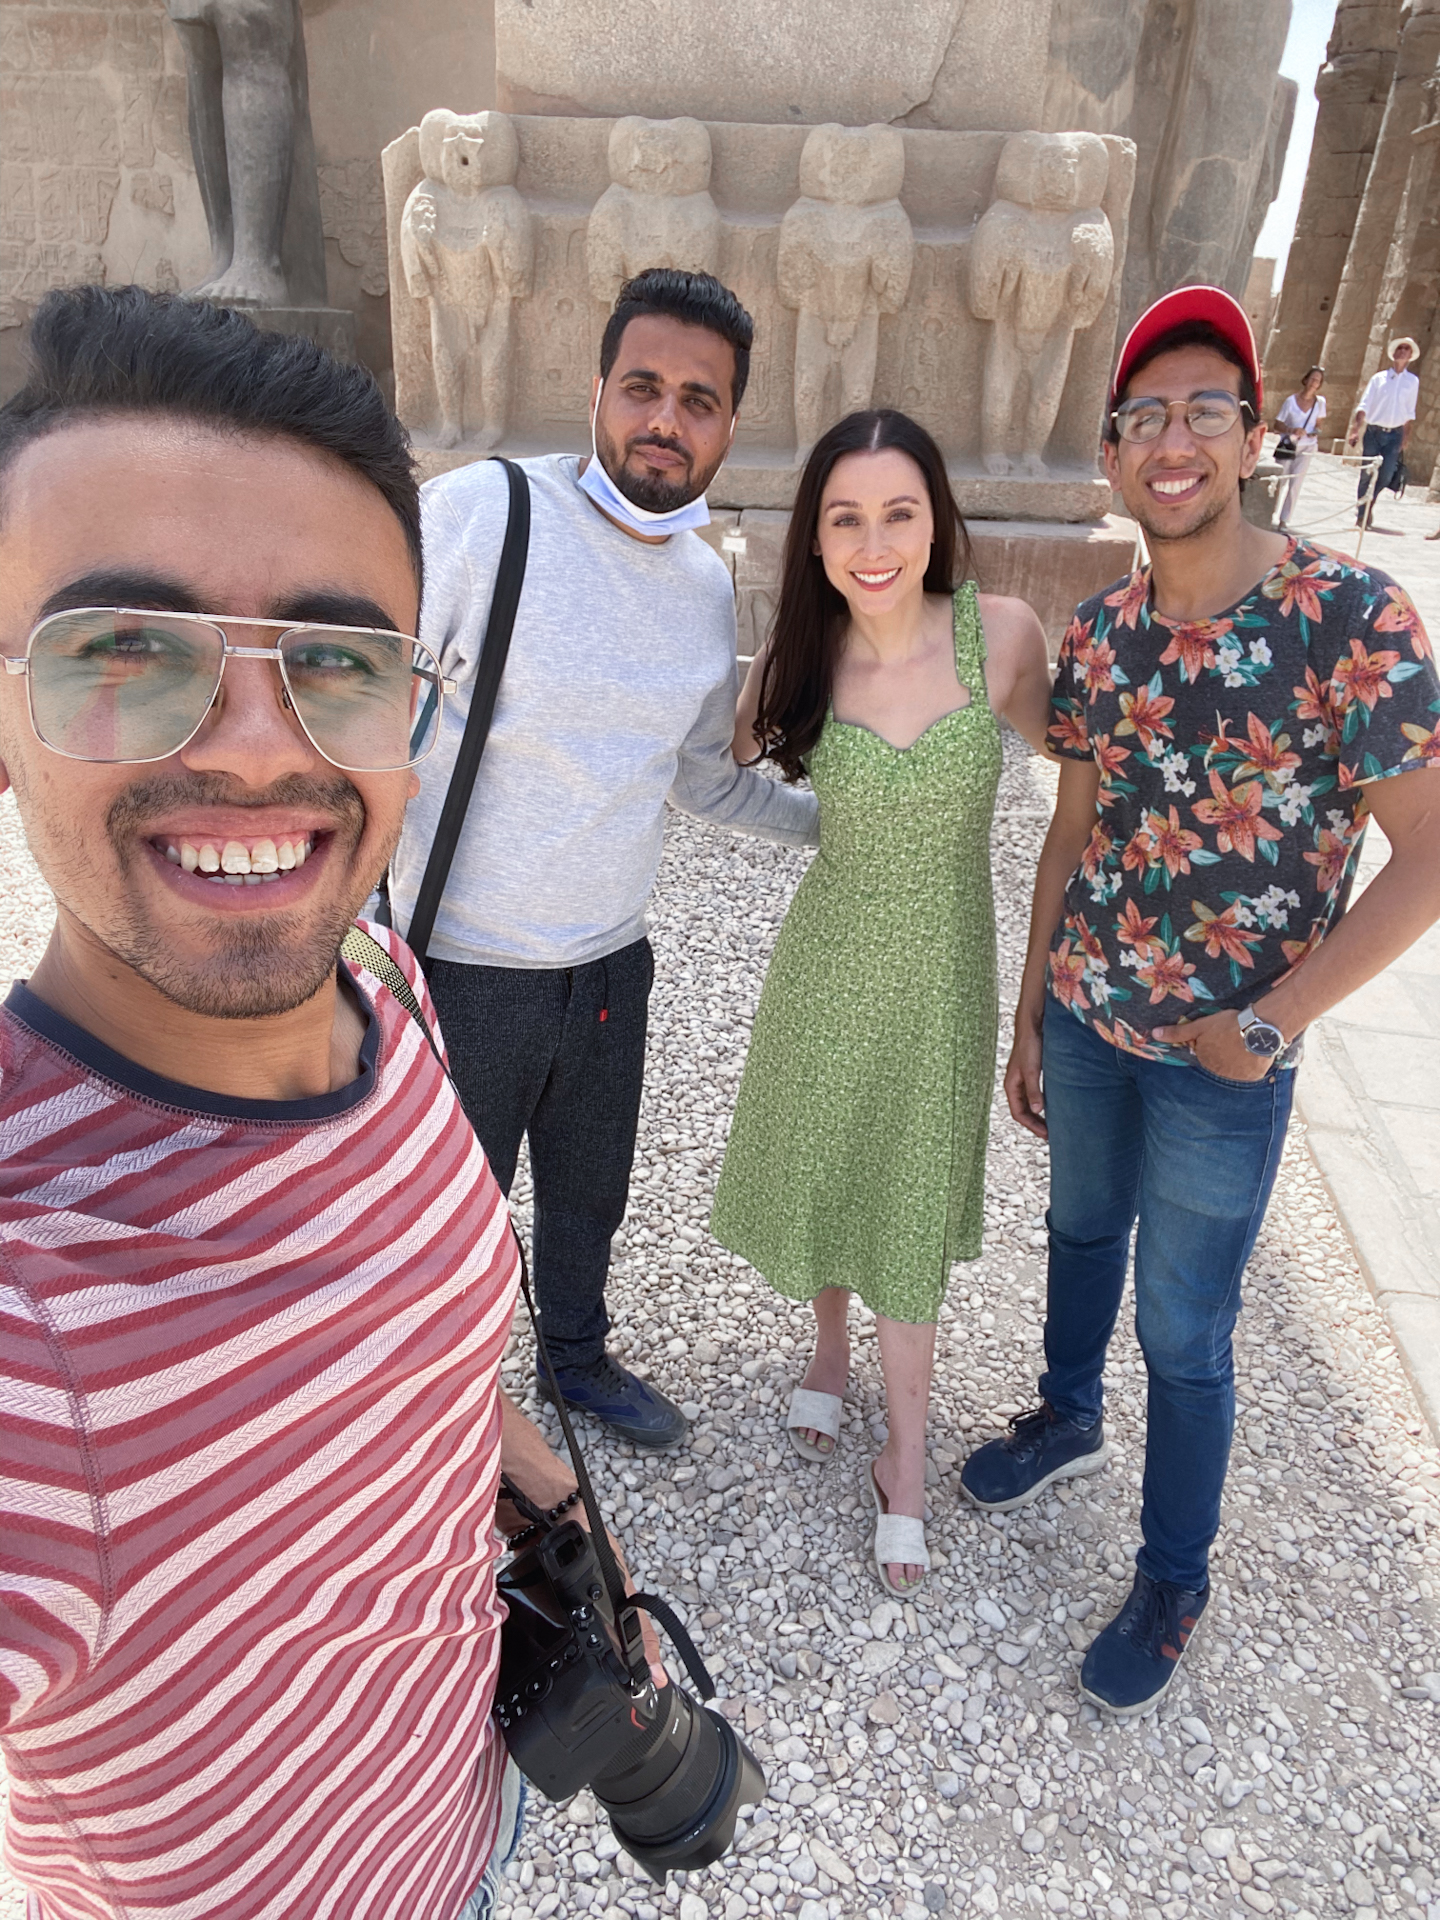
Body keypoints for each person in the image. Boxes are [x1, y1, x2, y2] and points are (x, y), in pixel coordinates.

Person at [0, 286, 659, 1920]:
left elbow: (406, 1351)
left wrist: (556, 1499)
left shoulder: (378, 978)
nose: (251, 747)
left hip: (465, 1828)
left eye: (337, 664)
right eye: (124, 651)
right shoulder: (38, 1313)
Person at [960, 285, 1440, 1715]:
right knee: (1078, 1227)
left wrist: (1276, 1022)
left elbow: (1427, 858)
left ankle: (1175, 1577)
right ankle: (1065, 1413)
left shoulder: (1350, 615)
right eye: (1144, 417)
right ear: (1113, 456)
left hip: (1228, 1058)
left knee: (1186, 1322)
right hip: (1092, 1018)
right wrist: (1033, 1005)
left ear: (1249, 435)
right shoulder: (1103, 634)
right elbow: (1072, 830)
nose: (1174, 439)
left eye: (1204, 409)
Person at [388, 268, 819, 1453]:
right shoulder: (485, 514)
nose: (664, 421)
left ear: (731, 425)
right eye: (642, 387)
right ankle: (433, 1422)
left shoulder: (702, 585)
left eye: (699, 399)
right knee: (444, 1220)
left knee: (588, 1200)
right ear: (596, 392)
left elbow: (696, 774)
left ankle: (576, 1361)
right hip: (463, 965)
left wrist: (840, 825)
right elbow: (366, 698)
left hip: (608, 969)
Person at [710, 409, 1052, 1594]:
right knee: (837, 1160)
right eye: (845, 517)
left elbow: (1092, 783)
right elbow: (717, 760)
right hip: (830, 961)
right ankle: (826, 1345)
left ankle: (905, 1458)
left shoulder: (1000, 640)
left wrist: (1045, 994)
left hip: (948, 977)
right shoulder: (801, 665)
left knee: (908, 1195)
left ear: (935, 520)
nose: (874, 541)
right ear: (813, 538)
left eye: (898, 513)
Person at [1348, 336, 1420, 528]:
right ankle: (1362, 513)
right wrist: (1356, 430)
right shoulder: (1378, 378)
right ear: (1394, 353)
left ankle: (1369, 503)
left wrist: (1406, 437)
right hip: (1374, 432)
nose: (1403, 351)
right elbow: (1364, 405)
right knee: (1367, 473)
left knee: (1386, 475)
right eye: (1400, 348)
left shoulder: (1412, 382)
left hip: (1395, 434)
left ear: (1410, 355)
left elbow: (1409, 412)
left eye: (1407, 349)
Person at [1271, 364, 1326, 529]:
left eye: (1318, 381)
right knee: (1280, 482)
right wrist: (1291, 430)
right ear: (1306, 379)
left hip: (1307, 447)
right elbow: (1277, 424)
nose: (1314, 383)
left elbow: (1319, 425)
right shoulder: (1291, 401)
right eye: (1312, 379)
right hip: (1289, 445)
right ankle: (1269, 513)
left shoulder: (1320, 403)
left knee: (1296, 483)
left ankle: (1284, 519)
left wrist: (1313, 432)